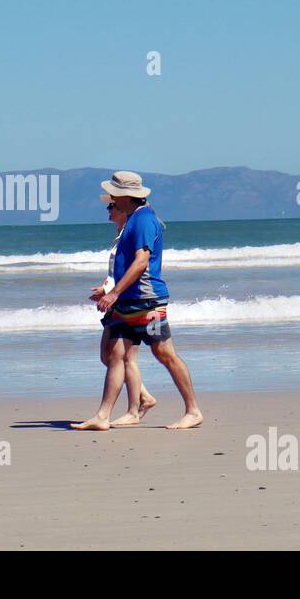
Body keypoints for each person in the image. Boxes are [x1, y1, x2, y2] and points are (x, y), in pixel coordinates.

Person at [72, 171, 203, 431]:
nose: (110, 201)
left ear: (125, 196)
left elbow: (141, 262)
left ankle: (193, 410)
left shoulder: (144, 219)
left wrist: (113, 293)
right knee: (116, 355)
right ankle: (102, 416)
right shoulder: (132, 219)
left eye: (113, 196)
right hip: (126, 305)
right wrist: (111, 290)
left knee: (164, 354)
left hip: (147, 303)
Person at [92, 195, 156, 426]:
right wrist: (105, 288)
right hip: (119, 298)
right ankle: (142, 398)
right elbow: (117, 272)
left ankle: (137, 403)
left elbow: (135, 268)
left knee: (119, 356)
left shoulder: (130, 233)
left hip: (129, 300)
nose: (108, 210)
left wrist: (112, 292)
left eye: (112, 205)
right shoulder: (120, 236)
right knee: (112, 356)